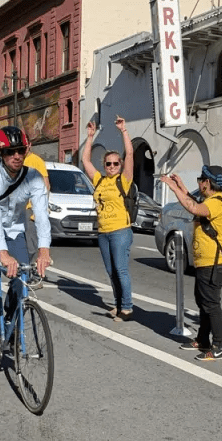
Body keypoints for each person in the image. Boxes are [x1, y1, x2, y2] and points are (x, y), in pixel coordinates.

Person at [0, 126, 52, 357]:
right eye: (10, 152)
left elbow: (42, 213)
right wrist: (3, 253)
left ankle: (9, 321)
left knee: (21, 279)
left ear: (26, 150)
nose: (16, 156)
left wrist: (44, 250)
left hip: (14, 231)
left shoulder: (33, 177)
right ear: (1, 153)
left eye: (20, 151)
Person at [163, 165, 222, 361]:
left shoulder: (217, 203)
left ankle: (219, 346)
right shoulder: (210, 201)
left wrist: (173, 188)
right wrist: (181, 186)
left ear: (207, 182)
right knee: (203, 302)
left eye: (200, 179)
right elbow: (195, 203)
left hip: (214, 263)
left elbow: (192, 207)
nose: (199, 182)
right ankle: (203, 340)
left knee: (211, 304)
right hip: (205, 262)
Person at [82, 115, 135, 321]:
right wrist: (90, 136)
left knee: (121, 270)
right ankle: (118, 303)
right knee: (111, 271)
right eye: (108, 164)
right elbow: (85, 160)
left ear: (120, 165)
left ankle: (127, 307)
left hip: (121, 230)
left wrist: (123, 131)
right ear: (104, 165)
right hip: (103, 231)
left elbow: (130, 153)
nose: (112, 166)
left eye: (115, 163)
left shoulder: (124, 180)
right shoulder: (100, 180)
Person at [22, 143, 51, 288]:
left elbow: (46, 184)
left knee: (31, 244)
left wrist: (39, 207)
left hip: (30, 208)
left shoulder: (36, 161)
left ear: (30, 145)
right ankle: (24, 273)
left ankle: (34, 276)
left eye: (25, 145)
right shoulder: (17, 159)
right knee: (21, 242)